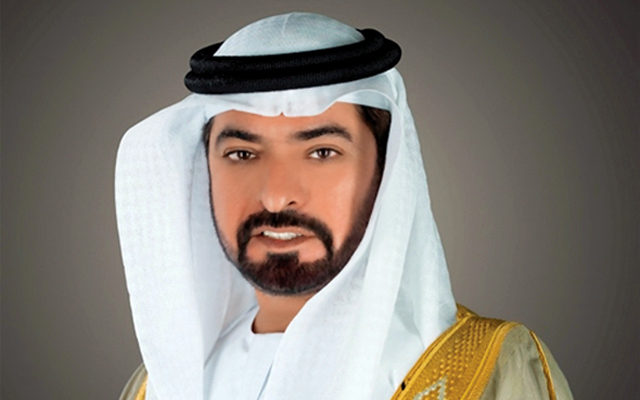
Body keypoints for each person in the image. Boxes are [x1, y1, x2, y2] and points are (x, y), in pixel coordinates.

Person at [116, 13, 573, 400]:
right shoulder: (161, 384)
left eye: (322, 152)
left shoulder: (486, 369)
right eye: (242, 154)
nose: (276, 196)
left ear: (386, 169)